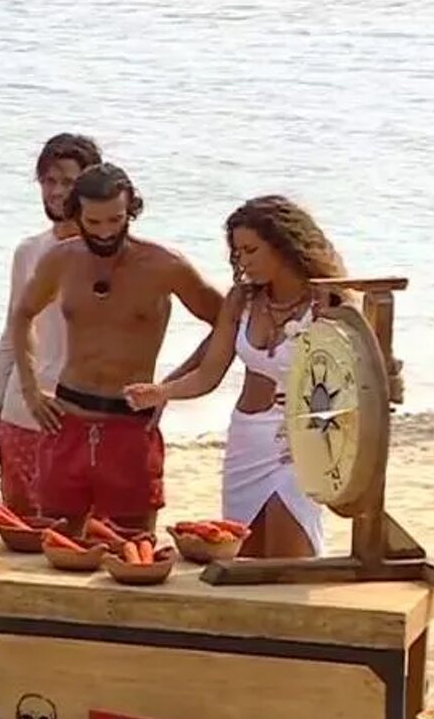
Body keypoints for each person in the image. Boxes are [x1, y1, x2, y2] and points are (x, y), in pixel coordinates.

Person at [124, 196, 348, 557]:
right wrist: (161, 392)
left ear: (283, 245)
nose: (242, 261)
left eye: (251, 250)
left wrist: (320, 425)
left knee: (290, 562)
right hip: (246, 442)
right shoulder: (240, 300)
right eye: (237, 252)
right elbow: (208, 374)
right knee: (244, 560)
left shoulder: (328, 303)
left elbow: (358, 378)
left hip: (298, 445)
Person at [8, 162, 224, 532]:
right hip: (67, 419)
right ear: (76, 214)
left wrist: (169, 388)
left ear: (131, 211)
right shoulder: (61, 259)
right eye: (93, 222)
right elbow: (22, 314)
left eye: (116, 220)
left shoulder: (164, 265)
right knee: (58, 543)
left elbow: (225, 323)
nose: (105, 232)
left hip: (131, 423)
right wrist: (30, 388)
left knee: (133, 543)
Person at [0, 133, 102, 514]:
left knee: (87, 534)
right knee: (23, 536)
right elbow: (11, 338)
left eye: (68, 181)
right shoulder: (29, 251)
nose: (56, 191)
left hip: (85, 417)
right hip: (22, 415)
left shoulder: (113, 256)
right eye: (49, 180)